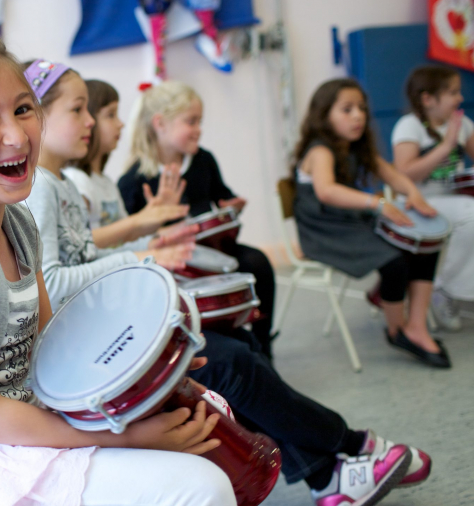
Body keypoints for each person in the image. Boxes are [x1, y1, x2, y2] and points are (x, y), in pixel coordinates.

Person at [25, 62, 431, 506]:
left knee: (239, 343)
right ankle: (348, 446)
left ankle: (327, 474)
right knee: (231, 361)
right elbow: (52, 280)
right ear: (37, 117)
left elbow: (85, 258)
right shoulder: (41, 188)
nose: (90, 121)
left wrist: (151, 240)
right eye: (79, 109)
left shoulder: (58, 183)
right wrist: (145, 254)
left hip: (106, 330)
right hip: (95, 356)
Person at [0, 34, 237, 506]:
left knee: (209, 419)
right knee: (201, 486)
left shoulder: (17, 218)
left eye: (23, 109)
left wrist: (143, 371)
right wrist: (128, 438)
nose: (16, 134)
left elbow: (53, 351)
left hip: (17, 424)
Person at [293, 78, 450, 369]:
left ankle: (416, 324)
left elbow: (392, 175)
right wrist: (377, 204)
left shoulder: (355, 147)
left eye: (361, 109)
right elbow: (326, 190)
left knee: (424, 245)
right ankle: (396, 329)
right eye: (347, 109)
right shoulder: (320, 151)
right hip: (324, 231)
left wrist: (413, 194)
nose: (358, 116)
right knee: (395, 263)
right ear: (324, 114)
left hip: (351, 221)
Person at [117, 81, 278, 359]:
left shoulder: (204, 161)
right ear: (160, 124)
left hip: (215, 251)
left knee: (258, 264)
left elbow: (222, 198)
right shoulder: (133, 181)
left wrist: (231, 206)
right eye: (191, 121)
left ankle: (263, 346)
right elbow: (132, 239)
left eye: (200, 121)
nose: (198, 129)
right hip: (177, 264)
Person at [391, 65, 474, 331]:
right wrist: (446, 146)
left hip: (455, 200)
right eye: (452, 92)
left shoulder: (462, 125)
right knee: (470, 213)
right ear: (428, 99)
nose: (459, 98)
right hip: (419, 204)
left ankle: (457, 287)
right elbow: (404, 175)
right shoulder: (409, 126)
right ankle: (445, 290)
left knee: (468, 209)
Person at [62, 80, 189, 251]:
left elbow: (126, 237)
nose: (121, 124)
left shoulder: (106, 183)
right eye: (110, 115)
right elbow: (79, 243)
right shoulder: (77, 181)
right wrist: (138, 219)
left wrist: (158, 218)